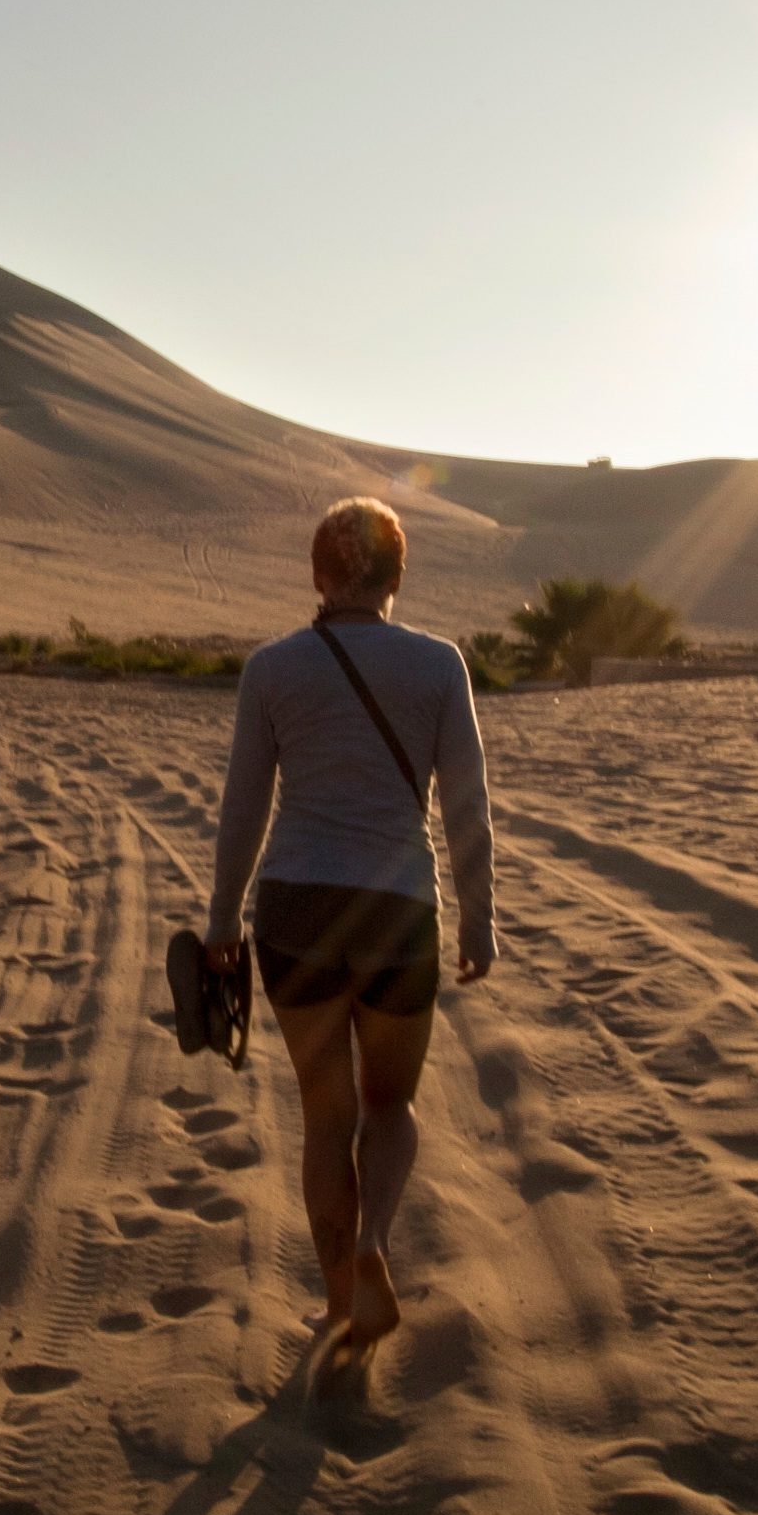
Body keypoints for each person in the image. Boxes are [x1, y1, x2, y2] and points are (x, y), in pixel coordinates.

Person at [206, 497, 495, 1374]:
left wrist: (223, 920)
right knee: (388, 1107)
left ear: (318, 576)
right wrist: (479, 916)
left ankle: (339, 1301)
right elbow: (467, 803)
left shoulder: (272, 669)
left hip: (295, 908)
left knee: (326, 1117)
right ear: (398, 578)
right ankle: (373, 1238)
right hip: (396, 909)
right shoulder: (440, 666)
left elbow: (246, 804)